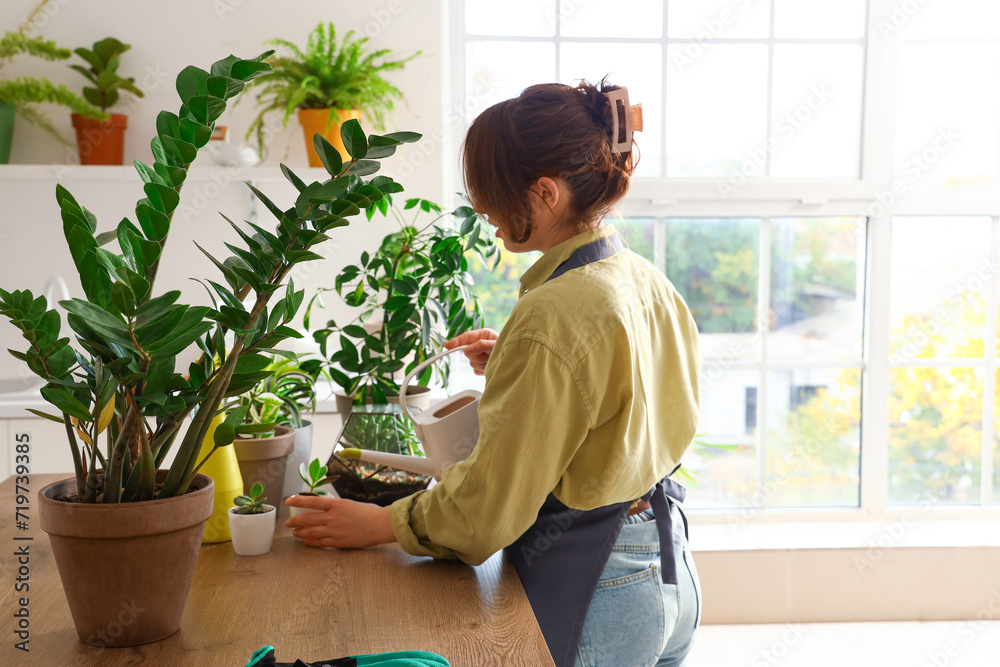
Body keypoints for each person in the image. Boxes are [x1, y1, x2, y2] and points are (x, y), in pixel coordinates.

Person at [286, 78, 702, 667]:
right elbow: (627, 399)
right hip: (669, 567)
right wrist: (519, 356)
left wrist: (378, 525)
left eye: (493, 194)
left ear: (546, 192)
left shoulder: (554, 314)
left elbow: (486, 512)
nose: (483, 210)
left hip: (600, 588)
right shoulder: (642, 277)